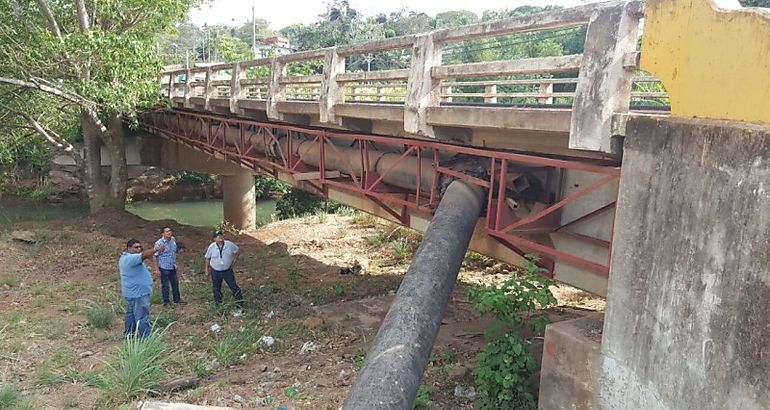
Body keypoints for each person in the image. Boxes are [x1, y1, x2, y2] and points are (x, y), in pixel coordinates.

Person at [119, 239, 165, 337]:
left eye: (140, 247)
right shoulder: (130, 259)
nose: (138, 249)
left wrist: (154, 273)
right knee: (142, 316)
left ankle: (129, 334)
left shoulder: (127, 258)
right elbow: (144, 255)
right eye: (136, 247)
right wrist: (156, 249)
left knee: (131, 315)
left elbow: (147, 256)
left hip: (133, 293)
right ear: (128, 248)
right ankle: (146, 337)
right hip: (138, 293)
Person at [205, 230, 244, 310]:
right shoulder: (212, 247)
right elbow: (207, 259)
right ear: (214, 239)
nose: (220, 238)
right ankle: (219, 306)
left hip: (227, 270)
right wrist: (207, 270)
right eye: (217, 236)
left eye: (221, 235)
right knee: (216, 289)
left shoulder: (229, 245)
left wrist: (234, 261)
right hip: (215, 271)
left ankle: (239, 305)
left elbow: (237, 251)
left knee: (234, 287)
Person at [153, 226, 182, 306]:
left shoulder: (173, 239)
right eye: (166, 231)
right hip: (164, 267)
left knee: (175, 283)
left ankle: (177, 300)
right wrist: (157, 269)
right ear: (162, 233)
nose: (169, 232)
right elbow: (155, 256)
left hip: (172, 266)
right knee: (165, 285)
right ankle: (166, 302)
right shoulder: (159, 243)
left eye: (170, 231)